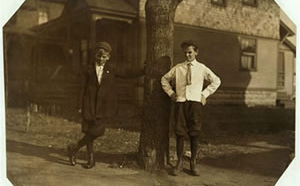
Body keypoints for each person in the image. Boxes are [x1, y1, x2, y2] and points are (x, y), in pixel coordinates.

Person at [67, 41, 144, 169]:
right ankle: (91, 159)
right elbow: (82, 88)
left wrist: (143, 70)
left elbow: (127, 73)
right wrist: (79, 106)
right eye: (99, 56)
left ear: (108, 57)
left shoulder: (111, 68)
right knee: (90, 130)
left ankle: (75, 147)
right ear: (95, 55)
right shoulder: (88, 69)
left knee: (97, 131)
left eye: (104, 57)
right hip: (89, 104)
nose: (101, 59)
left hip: (103, 106)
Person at [161, 40, 221, 176]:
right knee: (180, 132)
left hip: (195, 103)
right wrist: (171, 93)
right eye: (185, 53)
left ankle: (193, 162)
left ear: (196, 52)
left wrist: (204, 94)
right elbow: (164, 79)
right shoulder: (178, 68)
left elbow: (216, 80)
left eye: (190, 52)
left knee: (195, 131)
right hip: (181, 102)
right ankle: (179, 162)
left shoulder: (201, 68)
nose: (187, 55)